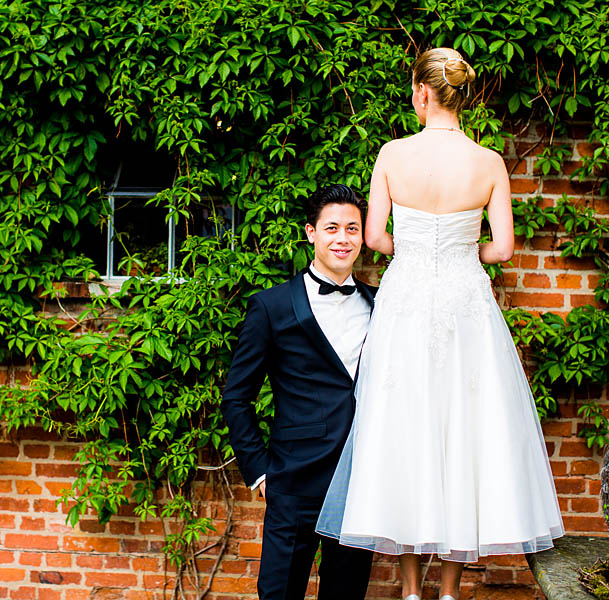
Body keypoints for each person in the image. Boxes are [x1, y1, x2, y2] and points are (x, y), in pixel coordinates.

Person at [316, 48, 565, 600]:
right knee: (462, 434)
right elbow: (501, 248)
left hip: (405, 305)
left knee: (403, 431)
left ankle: (408, 589)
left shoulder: (392, 154)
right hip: (464, 306)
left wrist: (414, 248)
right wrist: (461, 248)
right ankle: (449, 590)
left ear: (423, 93)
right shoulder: (489, 162)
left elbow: (376, 238)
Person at [222, 184, 376, 600]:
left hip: (357, 484)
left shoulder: (382, 306)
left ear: (363, 236)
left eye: (352, 229)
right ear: (311, 233)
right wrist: (260, 472)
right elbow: (236, 396)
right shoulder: (270, 307)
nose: (342, 239)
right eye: (331, 228)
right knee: (279, 594)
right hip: (293, 481)